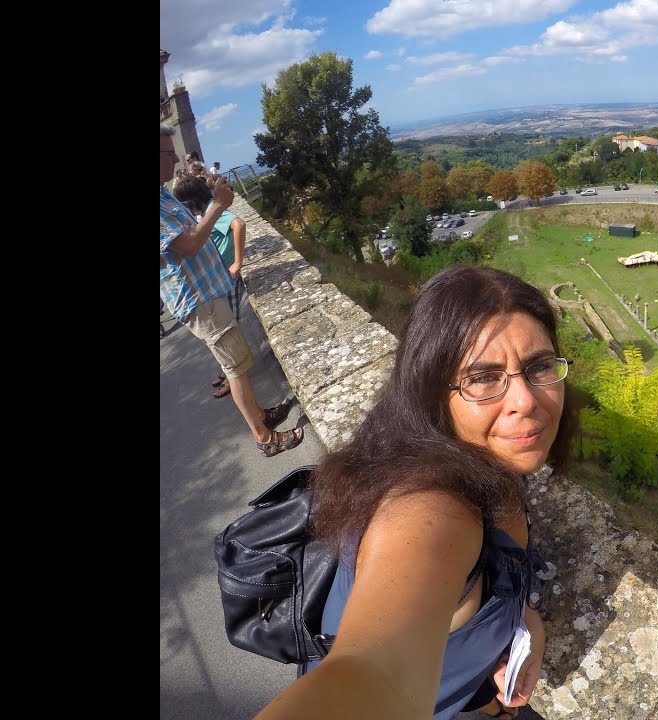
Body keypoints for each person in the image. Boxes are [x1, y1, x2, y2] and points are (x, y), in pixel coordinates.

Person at [255, 266, 577, 720]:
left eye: (539, 366)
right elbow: (372, 673)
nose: (525, 399)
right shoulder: (431, 511)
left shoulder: (479, 463)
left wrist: (519, 619)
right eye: (483, 378)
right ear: (432, 395)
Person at [160, 123, 303, 456]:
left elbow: (193, 229)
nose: (177, 157)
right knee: (235, 369)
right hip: (199, 300)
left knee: (238, 362)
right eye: (169, 152)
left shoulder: (164, 194)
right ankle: (265, 439)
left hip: (208, 292)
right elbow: (192, 244)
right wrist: (219, 205)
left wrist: (211, 195)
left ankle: (261, 415)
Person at [173, 174, 250, 398]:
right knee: (226, 333)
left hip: (227, 278)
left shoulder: (212, 213)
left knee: (228, 331)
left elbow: (239, 224)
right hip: (221, 279)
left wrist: (237, 261)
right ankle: (228, 371)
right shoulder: (207, 213)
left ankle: (232, 377)